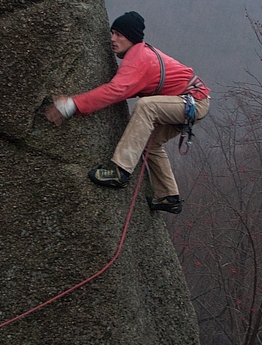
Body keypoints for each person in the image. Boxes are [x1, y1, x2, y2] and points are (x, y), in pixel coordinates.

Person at [44, 11, 210, 214]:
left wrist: (71, 105)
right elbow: (124, 89)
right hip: (191, 102)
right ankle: (169, 197)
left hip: (192, 101)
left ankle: (119, 171)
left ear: (131, 37)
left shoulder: (138, 58)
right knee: (151, 143)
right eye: (112, 33)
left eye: (119, 35)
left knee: (146, 106)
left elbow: (115, 91)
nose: (112, 39)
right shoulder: (141, 55)